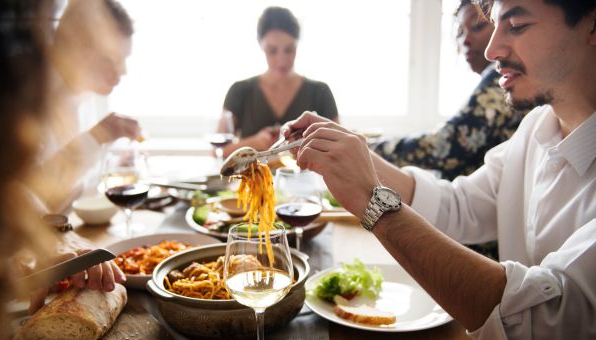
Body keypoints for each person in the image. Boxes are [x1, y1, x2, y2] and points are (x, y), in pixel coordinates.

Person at [284, 0, 596, 337]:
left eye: (517, 25)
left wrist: (372, 203)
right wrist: (354, 149)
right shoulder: (537, 126)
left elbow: (542, 319)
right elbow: (458, 206)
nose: (492, 49)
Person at [0, 1, 125, 336]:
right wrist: (54, 238)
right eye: (112, 59)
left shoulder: (70, 101)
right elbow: (19, 183)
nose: (121, 72)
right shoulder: (23, 93)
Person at [373, 0, 525, 182]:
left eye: (477, 27)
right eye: (460, 32)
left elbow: (449, 143)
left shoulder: (502, 77)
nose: (465, 40)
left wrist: (369, 149)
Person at [29, 0, 142, 213]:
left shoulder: (83, 96)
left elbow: (75, 188)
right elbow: (30, 195)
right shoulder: (26, 99)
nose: (123, 70)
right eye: (111, 59)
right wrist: (98, 136)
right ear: (74, 47)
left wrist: (116, 160)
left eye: (124, 58)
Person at [219, 6, 339, 158]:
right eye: (272, 50)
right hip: (251, 182)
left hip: (307, 181)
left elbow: (339, 150)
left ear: (297, 45)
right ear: (261, 46)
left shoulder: (320, 92)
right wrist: (254, 142)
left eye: (289, 50)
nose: (282, 60)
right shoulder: (239, 91)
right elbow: (218, 153)